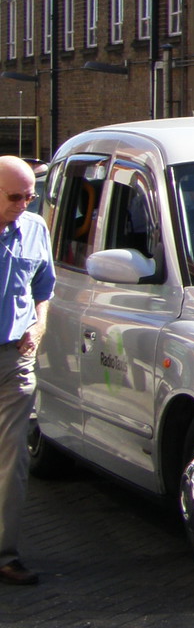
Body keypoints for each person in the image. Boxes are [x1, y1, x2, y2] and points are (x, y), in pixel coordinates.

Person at [0, 155, 53, 585]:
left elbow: (43, 290)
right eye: (14, 197)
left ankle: (4, 553)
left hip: (14, 357)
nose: (23, 203)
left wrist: (39, 325)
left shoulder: (35, 229)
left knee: (13, 457)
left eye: (29, 196)